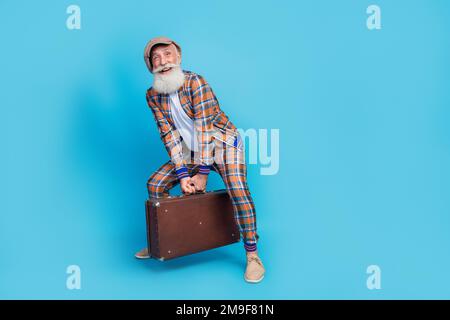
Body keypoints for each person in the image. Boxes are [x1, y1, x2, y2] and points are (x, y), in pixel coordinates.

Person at [135, 36, 265, 283]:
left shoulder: (195, 82)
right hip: (191, 150)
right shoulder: (152, 95)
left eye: (168, 54)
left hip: (223, 143)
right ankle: (161, 242)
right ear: (151, 66)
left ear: (179, 57)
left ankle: (253, 256)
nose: (163, 62)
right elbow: (169, 135)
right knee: (155, 184)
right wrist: (184, 174)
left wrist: (202, 173)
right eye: (157, 58)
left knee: (237, 189)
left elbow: (205, 129)